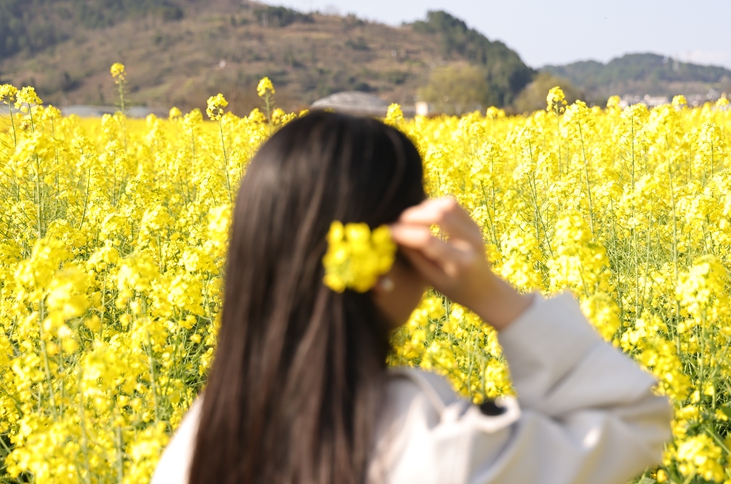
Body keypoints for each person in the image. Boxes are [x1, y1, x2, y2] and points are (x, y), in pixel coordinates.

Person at [151, 111, 672, 484]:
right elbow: (633, 423)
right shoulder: (443, 450)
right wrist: (495, 298)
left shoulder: (196, 445)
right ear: (391, 256)